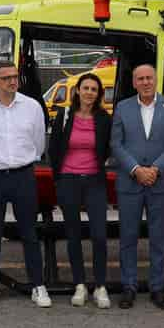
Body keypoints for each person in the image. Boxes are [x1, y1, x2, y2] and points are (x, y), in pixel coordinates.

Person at [0, 59, 50, 309]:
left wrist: (20, 162)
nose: (13, 81)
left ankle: (38, 285)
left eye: (15, 77)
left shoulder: (32, 107)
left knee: (29, 233)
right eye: (6, 78)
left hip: (23, 176)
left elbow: (39, 143)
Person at [110, 64, 164, 310]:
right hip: (130, 181)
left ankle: (157, 288)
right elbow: (116, 144)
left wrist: (155, 169)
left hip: (159, 181)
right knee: (128, 238)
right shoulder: (122, 107)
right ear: (134, 83)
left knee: (159, 239)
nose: (145, 82)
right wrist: (136, 170)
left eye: (148, 78)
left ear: (155, 80)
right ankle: (129, 287)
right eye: (140, 78)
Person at [47, 71, 112, 309]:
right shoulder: (64, 115)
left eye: (94, 90)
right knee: (73, 234)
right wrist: (59, 179)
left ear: (98, 94)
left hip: (94, 180)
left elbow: (105, 149)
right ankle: (80, 285)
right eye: (85, 88)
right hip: (69, 180)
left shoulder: (104, 119)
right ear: (77, 91)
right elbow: (54, 149)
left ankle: (101, 286)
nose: (89, 93)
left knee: (99, 235)